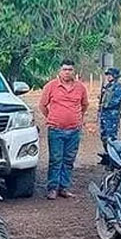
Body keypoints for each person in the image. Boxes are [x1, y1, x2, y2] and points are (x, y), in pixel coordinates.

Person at [39, 59, 89, 200]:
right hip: (56, 130)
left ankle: (64, 187)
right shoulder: (51, 86)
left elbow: (84, 105)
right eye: (64, 69)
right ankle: (52, 188)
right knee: (56, 160)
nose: (67, 72)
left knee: (68, 160)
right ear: (59, 71)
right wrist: (52, 118)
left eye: (70, 70)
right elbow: (42, 105)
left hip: (74, 130)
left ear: (74, 72)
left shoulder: (80, 87)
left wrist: (77, 118)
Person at [98, 67, 121, 150]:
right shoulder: (108, 87)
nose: (108, 76)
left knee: (111, 137)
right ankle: (107, 154)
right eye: (108, 75)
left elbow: (115, 101)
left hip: (112, 115)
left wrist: (104, 104)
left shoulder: (118, 87)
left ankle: (112, 155)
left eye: (111, 75)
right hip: (105, 115)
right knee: (104, 135)